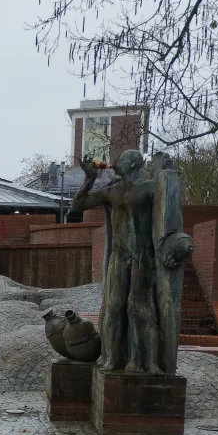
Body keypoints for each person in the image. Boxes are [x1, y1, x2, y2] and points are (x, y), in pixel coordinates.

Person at [71, 150, 161, 374]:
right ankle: (110, 358)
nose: (115, 161)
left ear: (133, 164)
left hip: (142, 256)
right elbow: (77, 206)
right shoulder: (111, 191)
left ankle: (150, 362)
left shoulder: (150, 188)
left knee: (142, 308)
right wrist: (89, 178)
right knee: (112, 306)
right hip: (119, 256)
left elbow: (167, 219)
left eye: (121, 158)